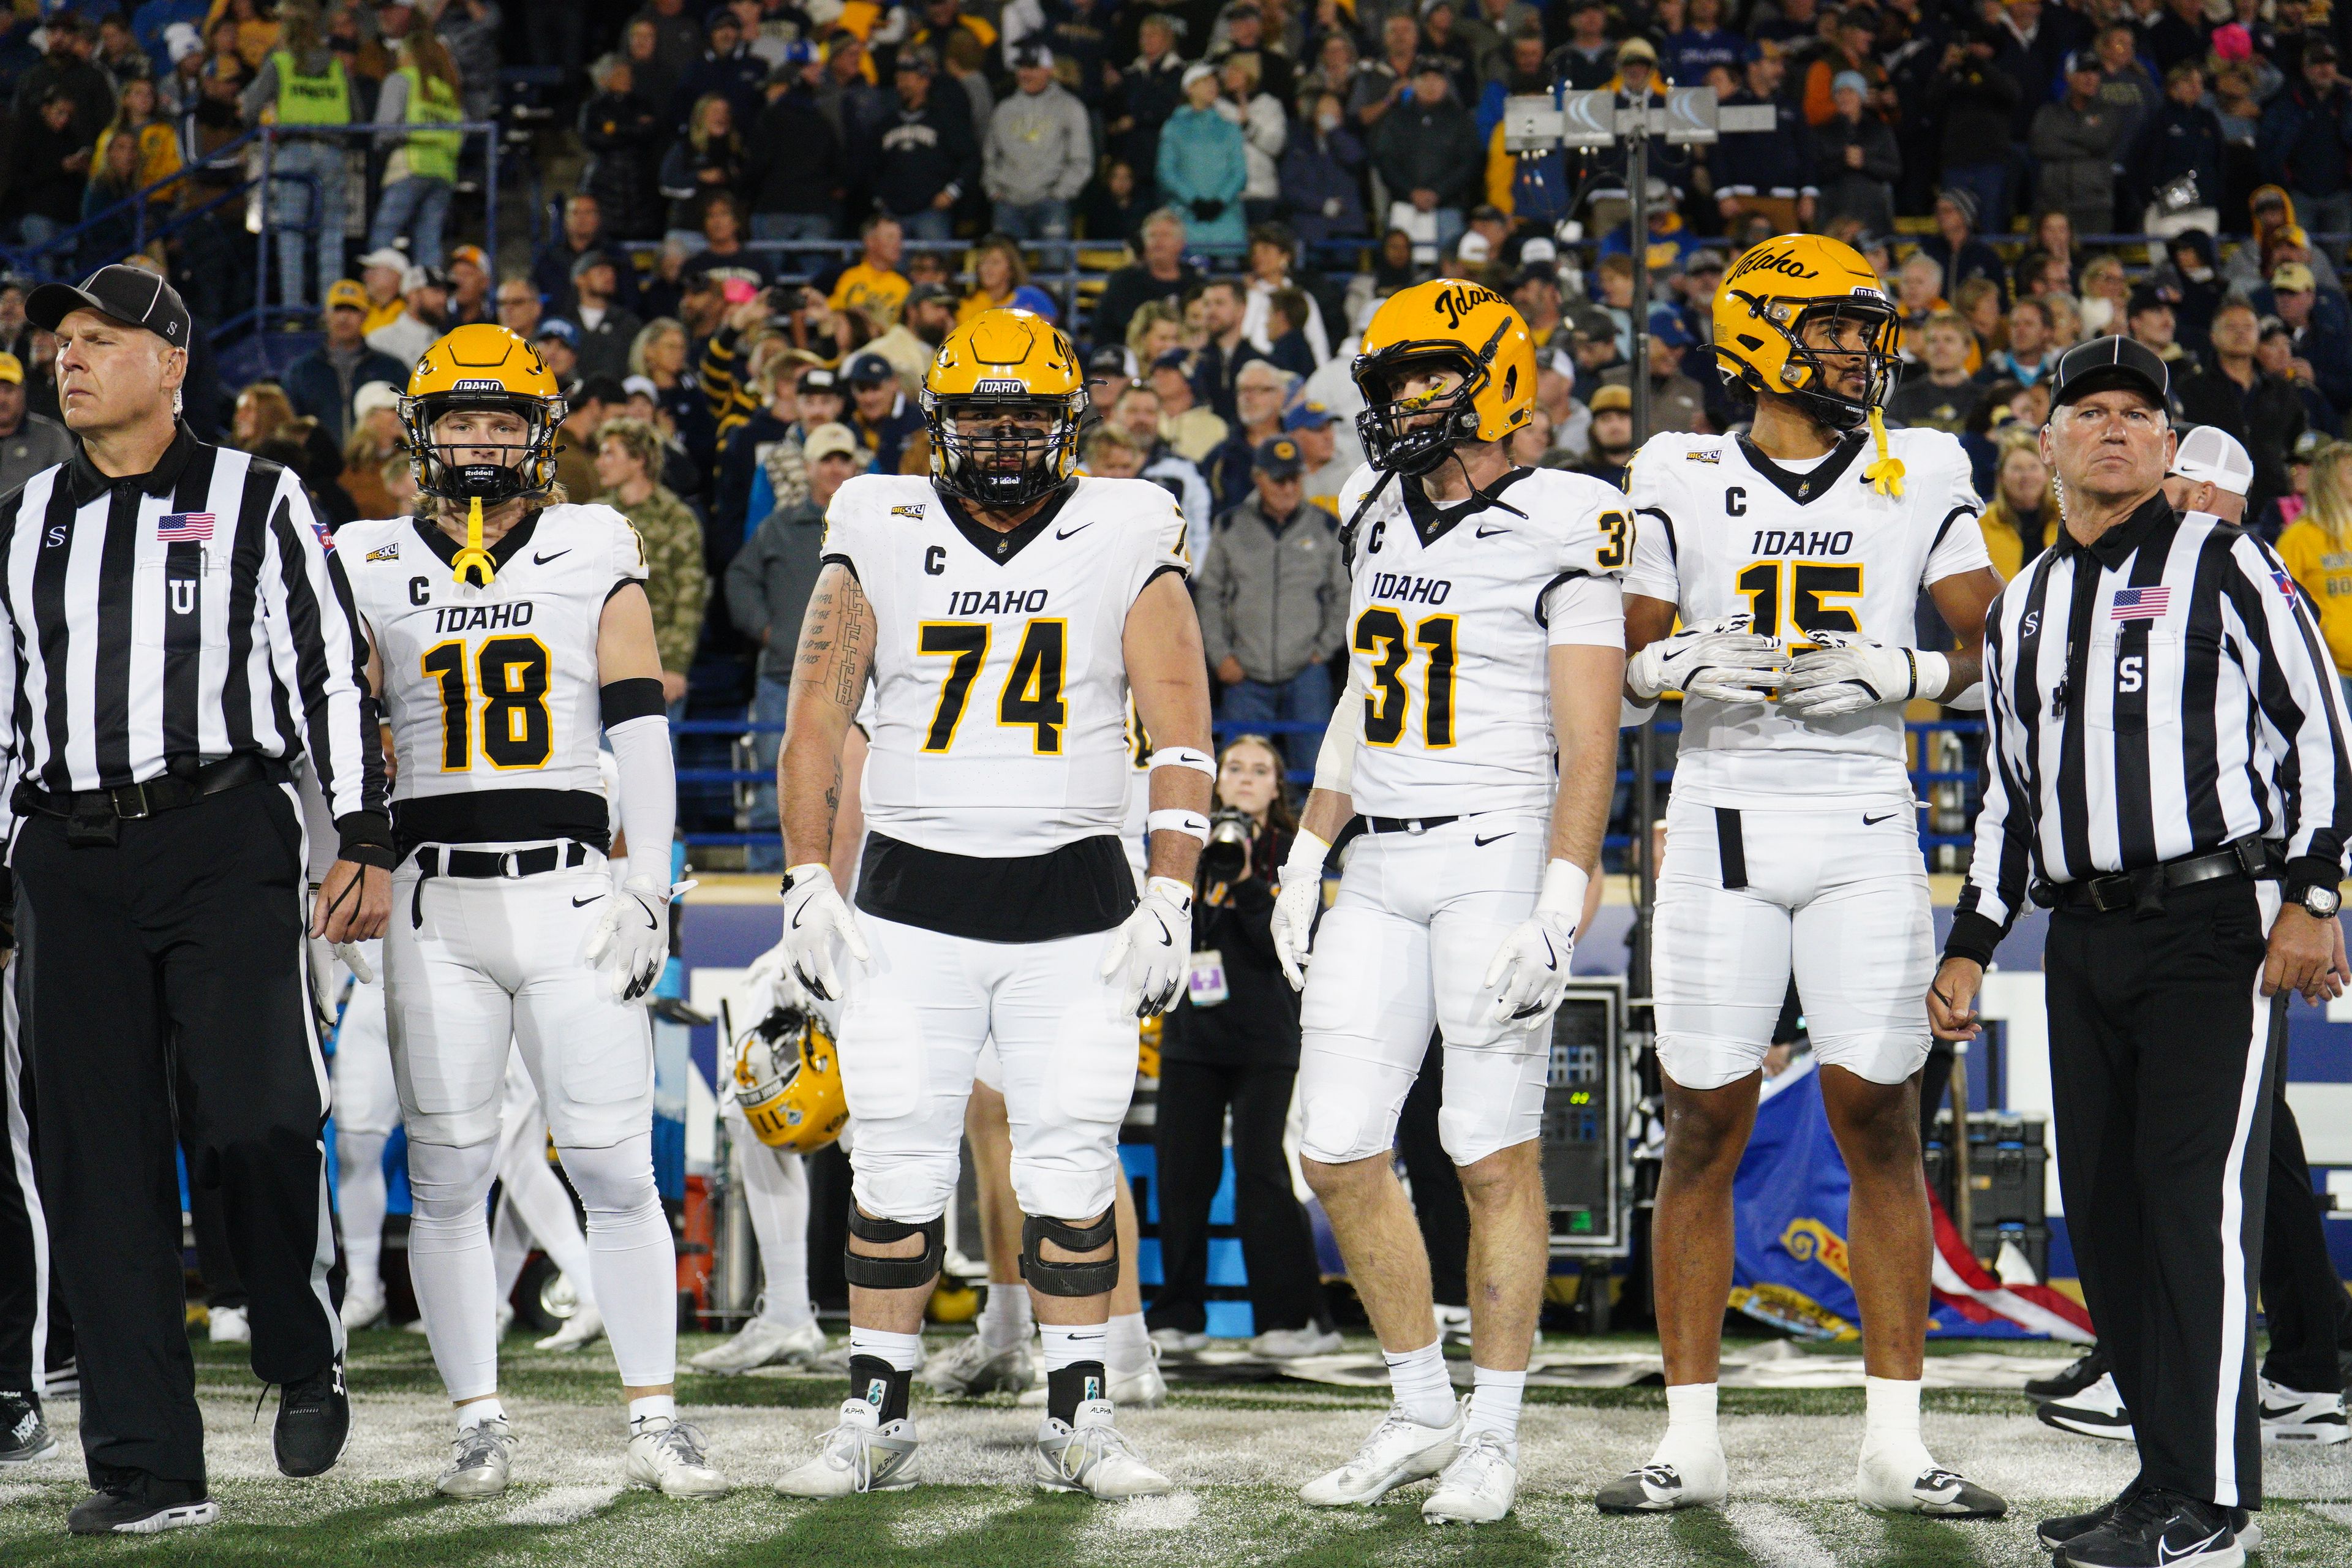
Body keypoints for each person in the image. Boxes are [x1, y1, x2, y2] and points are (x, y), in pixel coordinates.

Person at [755, 307, 1213, 1500]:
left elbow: (1184, 727)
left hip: (1077, 903)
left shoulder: (1126, 522)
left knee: (1067, 1163)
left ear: (1069, 422)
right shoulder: (879, 520)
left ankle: (1080, 1411)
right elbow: (815, 721)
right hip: (910, 899)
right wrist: (805, 876)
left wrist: (1175, 892)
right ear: (940, 421)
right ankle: (874, 1405)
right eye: (981, 415)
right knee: (898, 1163)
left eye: (1026, 416)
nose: (1005, 440)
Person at [1599, 233, 2008, 1521]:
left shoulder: (1923, 460)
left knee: (1877, 1116)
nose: (1858, 351)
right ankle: (1690, 1439)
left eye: (1860, 330)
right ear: (1762, 335)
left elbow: (1998, 644)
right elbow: (1623, 652)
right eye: (1835, 328)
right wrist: (1672, 670)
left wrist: (1907, 675)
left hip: (1863, 814)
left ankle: (1896, 1439)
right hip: (1721, 810)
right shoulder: (1677, 464)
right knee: (1704, 1120)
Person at [1931, 335, 2352, 1568]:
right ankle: (2162, 1474)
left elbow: (2324, 729)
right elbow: (2010, 792)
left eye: (2136, 414)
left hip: (2211, 926)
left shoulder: (2226, 557)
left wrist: (2313, 891)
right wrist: (1970, 941)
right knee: (2110, 1216)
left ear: (2167, 445)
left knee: (2195, 1208)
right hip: (2081, 936)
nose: (2112, 430)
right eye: (2088, 412)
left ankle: (2217, 1506)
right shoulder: (2026, 603)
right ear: (2048, 442)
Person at [0, 264, 388, 1534]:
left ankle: (294, 1330)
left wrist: (368, 832)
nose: (69, 357)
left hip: (221, 832)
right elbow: (5, 702)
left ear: (171, 364)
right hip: (66, 852)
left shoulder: (261, 499)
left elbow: (333, 671)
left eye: (100, 339)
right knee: (95, 1164)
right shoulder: (26, 514)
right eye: (61, 339)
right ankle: (147, 1468)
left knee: (261, 1116)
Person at [334, 323, 720, 1501]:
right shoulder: (363, 555)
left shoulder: (594, 540)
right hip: (434, 897)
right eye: (464, 420)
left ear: (542, 431)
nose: (486, 441)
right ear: (425, 432)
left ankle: (655, 1419)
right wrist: (334, 858)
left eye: (507, 420)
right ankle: (477, 1424)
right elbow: (329, 726)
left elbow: (640, 721)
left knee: (613, 1168)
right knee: (448, 1180)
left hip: (569, 889)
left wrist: (647, 881)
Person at [1265, 279, 1628, 1523]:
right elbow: (1366, 702)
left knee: (1488, 1152)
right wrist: (1311, 848)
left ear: (1495, 381)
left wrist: (1560, 899)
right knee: (1338, 1144)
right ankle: (1421, 1404)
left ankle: (1497, 1430)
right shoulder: (1376, 512)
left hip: (1493, 854)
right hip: (1381, 859)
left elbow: (1593, 741)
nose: (1398, 400)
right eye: (1394, 378)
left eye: (1426, 375)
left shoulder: (1571, 514)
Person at [1149, 733, 1337, 1357]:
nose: (1247, 779)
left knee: (1262, 1174)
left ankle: (1292, 1319)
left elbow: (1290, 947)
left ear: (1277, 786)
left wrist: (1254, 879)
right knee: (1183, 1177)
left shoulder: (1292, 854)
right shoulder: (1187, 848)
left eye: (1261, 770)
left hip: (1266, 1038)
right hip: (1192, 1039)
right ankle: (1178, 1314)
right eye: (1235, 768)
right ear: (1217, 780)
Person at [726, 421, 858, 872]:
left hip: (855, 686)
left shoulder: (870, 527)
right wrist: (769, 631)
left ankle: (841, 886)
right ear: (808, 468)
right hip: (784, 677)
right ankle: (766, 887)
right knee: (772, 786)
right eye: (828, 460)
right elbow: (739, 579)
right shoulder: (779, 527)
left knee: (851, 792)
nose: (837, 469)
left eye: (845, 459)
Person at [1197, 437, 1347, 775]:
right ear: (1259, 477)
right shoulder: (1231, 527)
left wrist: (1323, 651)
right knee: (1240, 777)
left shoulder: (1325, 527)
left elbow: (1344, 595)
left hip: (1307, 671)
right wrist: (1221, 657)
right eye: (1279, 479)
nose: (1288, 488)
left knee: (1315, 775)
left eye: (1295, 478)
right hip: (1244, 673)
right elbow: (1209, 594)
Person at [243, 2, 356, 311]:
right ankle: (329, 312)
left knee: (291, 234)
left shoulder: (281, 62)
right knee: (331, 236)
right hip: (333, 153)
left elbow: (250, 108)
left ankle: (293, 312)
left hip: (293, 153)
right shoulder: (336, 66)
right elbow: (358, 113)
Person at [592, 417, 705, 711]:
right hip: (598, 664)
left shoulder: (677, 519)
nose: (599, 463)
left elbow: (689, 597)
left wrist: (676, 666)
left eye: (610, 453)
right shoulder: (594, 516)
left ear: (638, 460)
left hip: (655, 663)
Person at [366, 22, 464, 270]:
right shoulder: (448, 90)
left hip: (409, 166)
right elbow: (462, 132)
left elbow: (384, 131)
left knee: (383, 236)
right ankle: (427, 300)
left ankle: (382, 295)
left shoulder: (401, 80)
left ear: (408, 54)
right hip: (443, 171)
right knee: (428, 242)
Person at [986, 41, 1091, 241]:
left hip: (1051, 205)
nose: (1025, 74)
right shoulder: (1004, 109)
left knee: (1054, 269)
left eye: (1032, 68)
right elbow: (990, 156)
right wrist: (994, 191)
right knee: (1007, 269)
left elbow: (1081, 160)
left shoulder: (1070, 107)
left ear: (1048, 70)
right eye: (1022, 67)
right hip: (1008, 204)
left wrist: (1059, 194)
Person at [285, 279, 410, 445]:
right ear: (326, 314)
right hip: (320, 468)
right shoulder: (301, 371)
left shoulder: (391, 368)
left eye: (353, 309)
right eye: (338, 309)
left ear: (365, 315)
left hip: (376, 464)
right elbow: (290, 428)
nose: (344, 317)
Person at [1157, 64, 1247, 252]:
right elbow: (1166, 172)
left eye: (1214, 81)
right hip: (1186, 222)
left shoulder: (1230, 128)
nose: (1212, 85)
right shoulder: (1174, 128)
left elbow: (1239, 173)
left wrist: (1220, 202)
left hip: (1227, 224)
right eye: (1205, 81)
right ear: (1190, 89)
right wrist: (1194, 201)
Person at [0, 351, 74, 493]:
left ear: (23, 391)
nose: (2, 399)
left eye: (8, 390)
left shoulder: (51, 437)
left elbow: (69, 490)